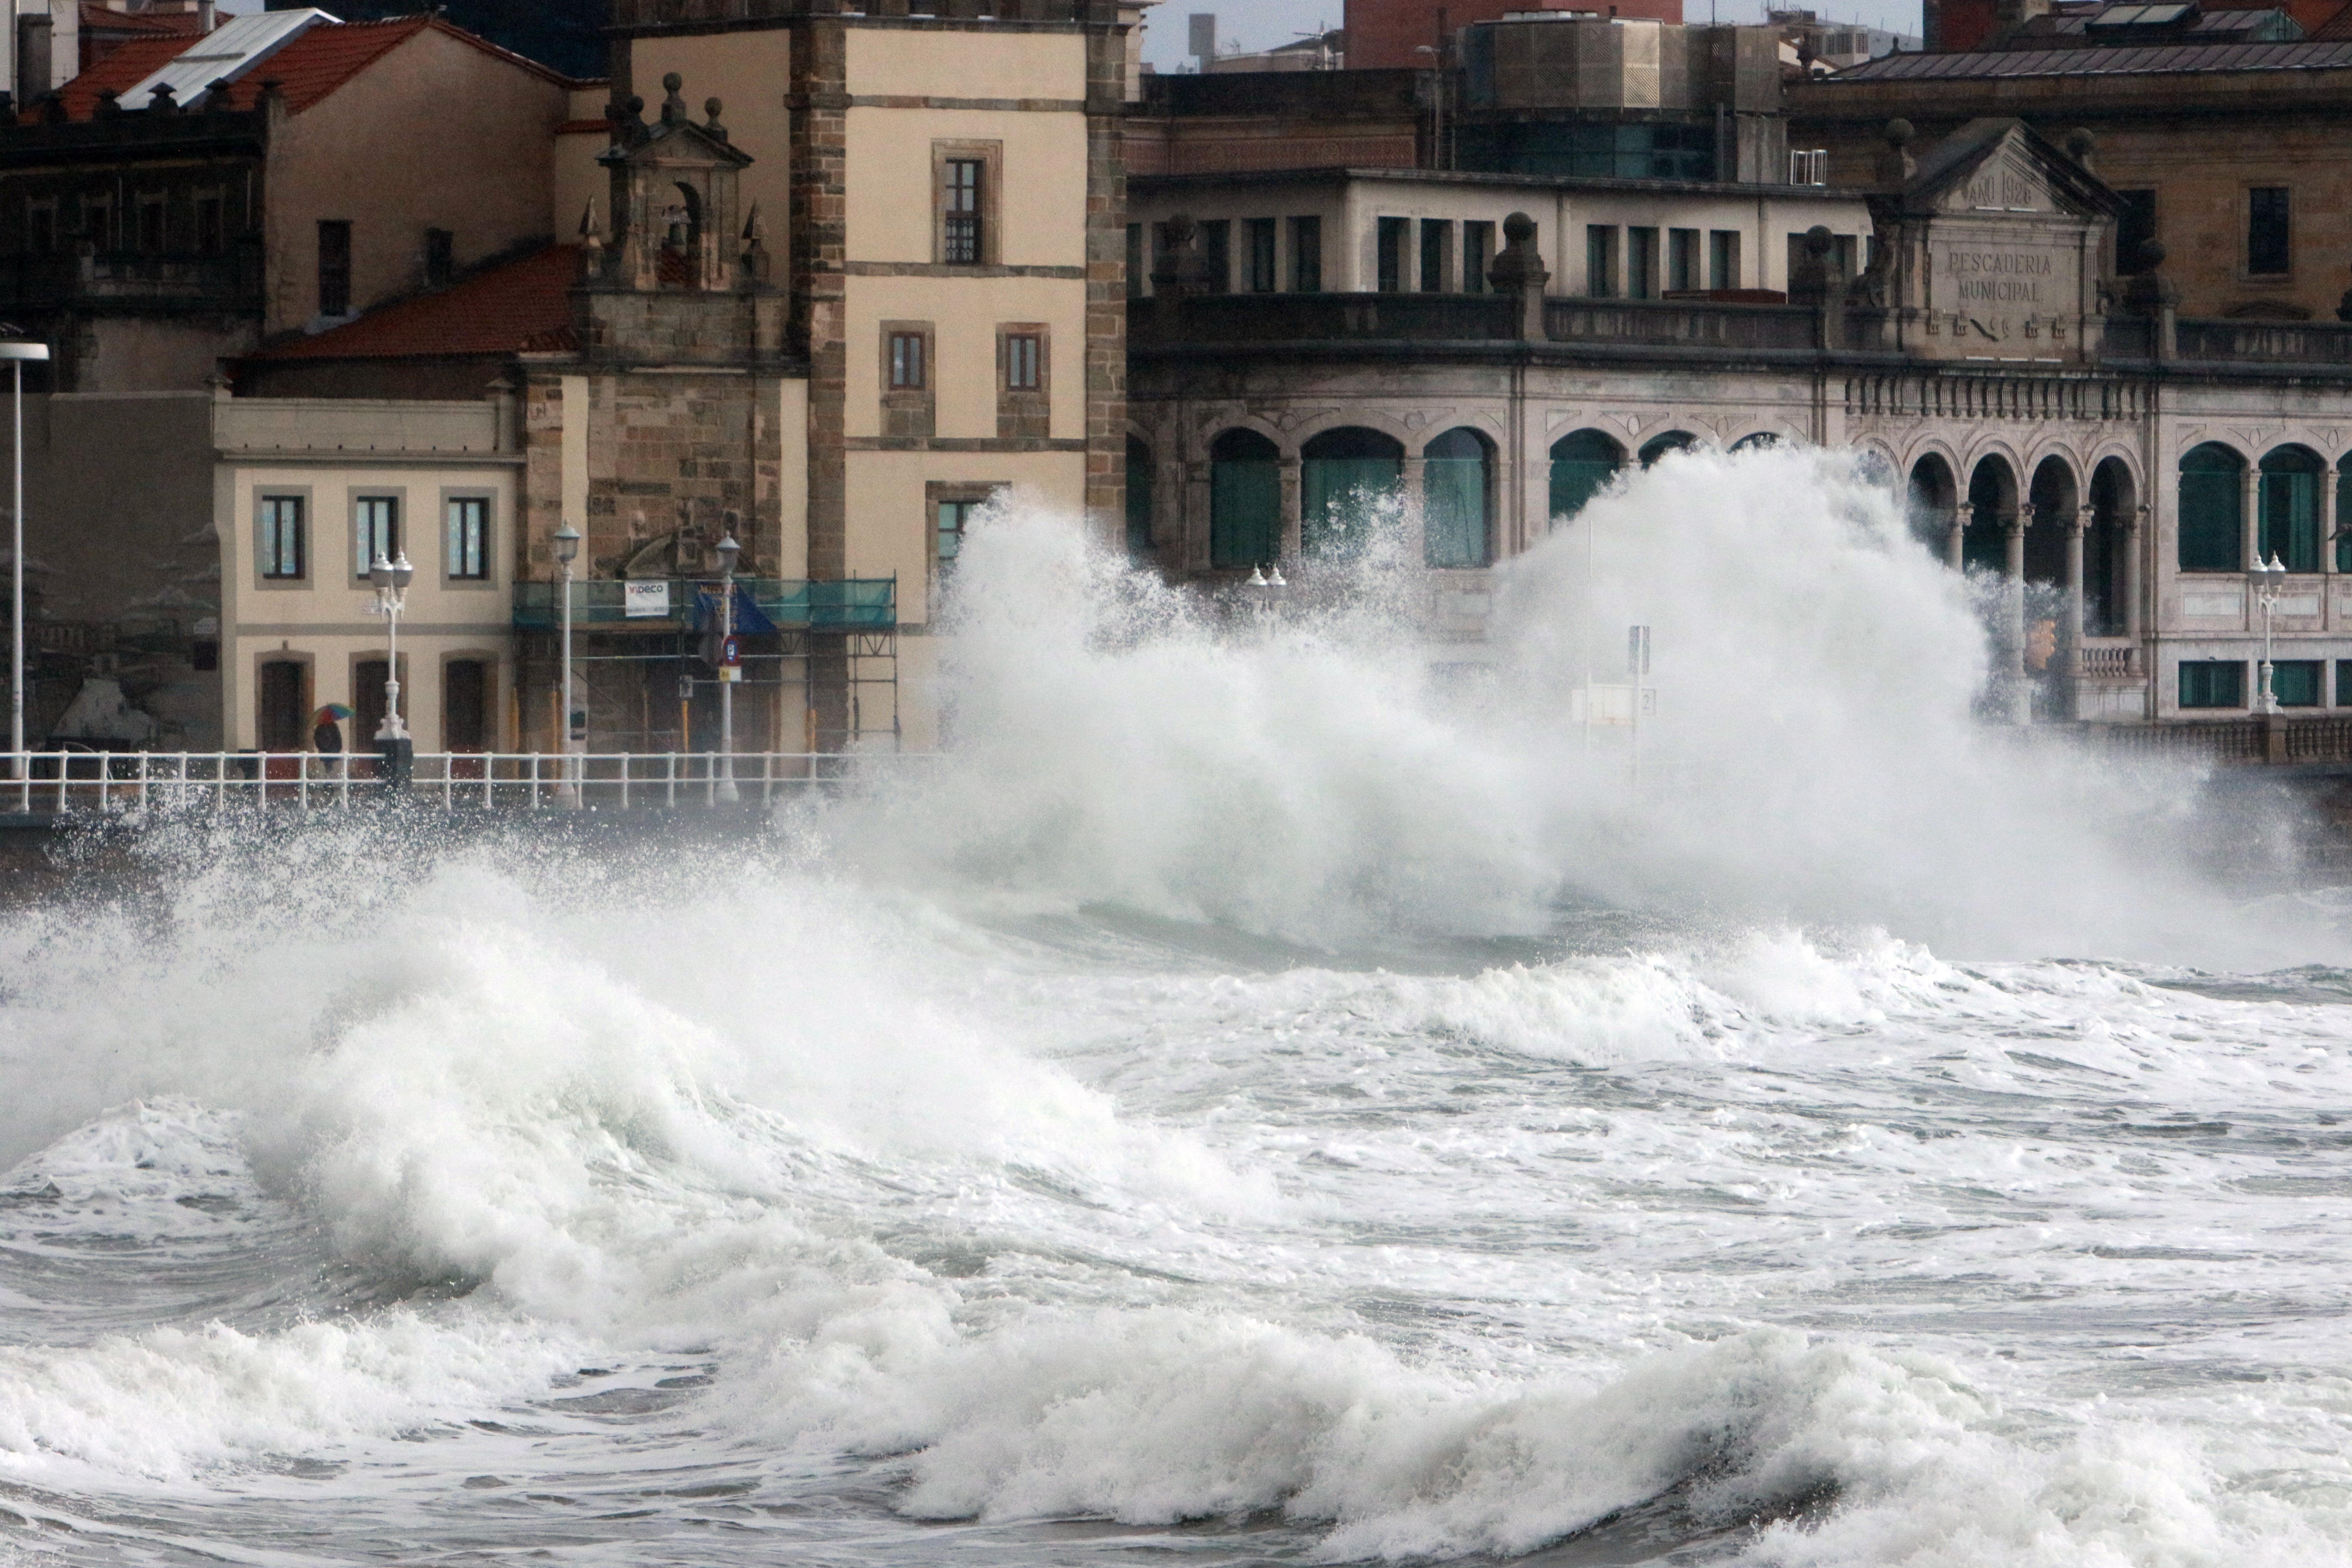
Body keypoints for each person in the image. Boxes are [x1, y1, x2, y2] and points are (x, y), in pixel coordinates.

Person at [313, 711, 343, 775]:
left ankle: (328, 778)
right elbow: (317, 739)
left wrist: (338, 749)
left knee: (329, 765)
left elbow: (338, 739)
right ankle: (328, 778)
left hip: (331, 750)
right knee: (328, 765)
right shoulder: (321, 728)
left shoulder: (333, 727)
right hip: (327, 750)